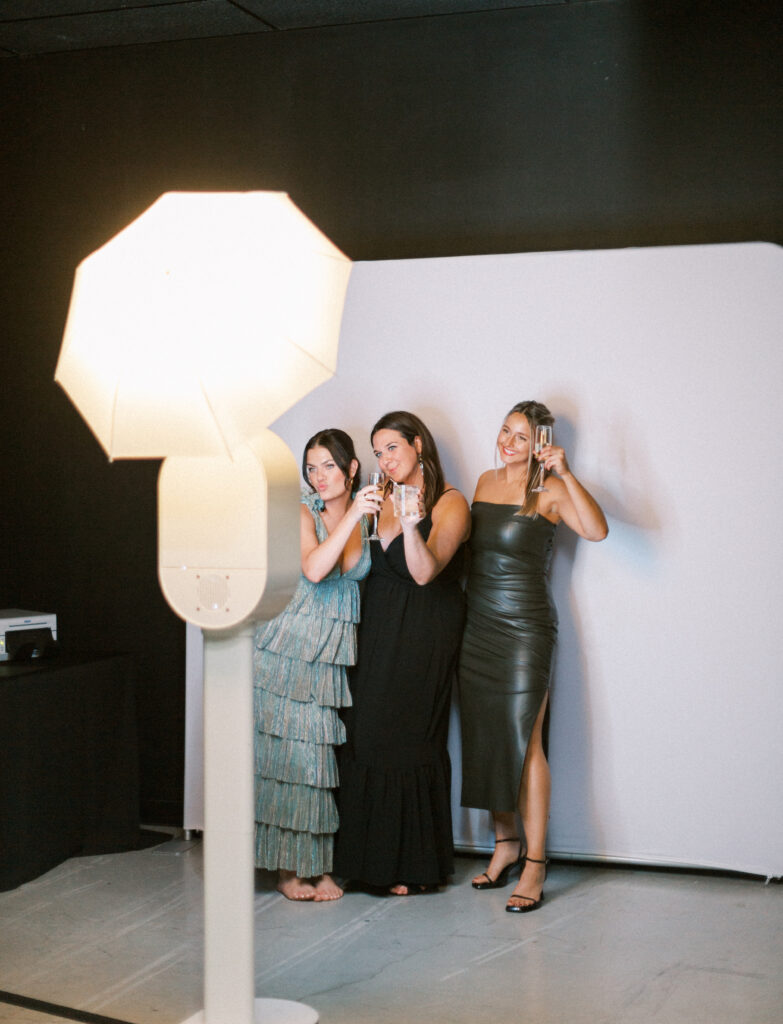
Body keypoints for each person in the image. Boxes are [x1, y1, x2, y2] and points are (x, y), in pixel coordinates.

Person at [458, 400, 607, 913]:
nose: (508, 442)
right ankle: (505, 846)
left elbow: (596, 529)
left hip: (524, 629)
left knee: (525, 744)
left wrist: (566, 472)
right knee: (487, 738)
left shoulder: (550, 489)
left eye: (521, 436)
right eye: (505, 431)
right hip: (477, 627)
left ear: (540, 443)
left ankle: (536, 865)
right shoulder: (482, 481)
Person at [334, 411, 471, 895]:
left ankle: (411, 865)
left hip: (425, 632)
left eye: (392, 447)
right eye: (377, 453)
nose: (385, 460)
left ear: (418, 443)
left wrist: (411, 526)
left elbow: (423, 572)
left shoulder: (451, 503)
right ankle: (366, 860)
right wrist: (354, 513)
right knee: (365, 730)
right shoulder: (380, 497)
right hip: (378, 626)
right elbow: (355, 564)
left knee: (409, 736)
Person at [253, 428, 379, 902]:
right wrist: (351, 519)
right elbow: (314, 568)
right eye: (311, 467)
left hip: (329, 655)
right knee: (290, 762)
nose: (318, 476)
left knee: (319, 762)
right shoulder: (303, 511)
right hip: (288, 649)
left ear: (350, 469)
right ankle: (288, 870)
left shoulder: (368, 512)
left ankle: (318, 864)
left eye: (329, 466)